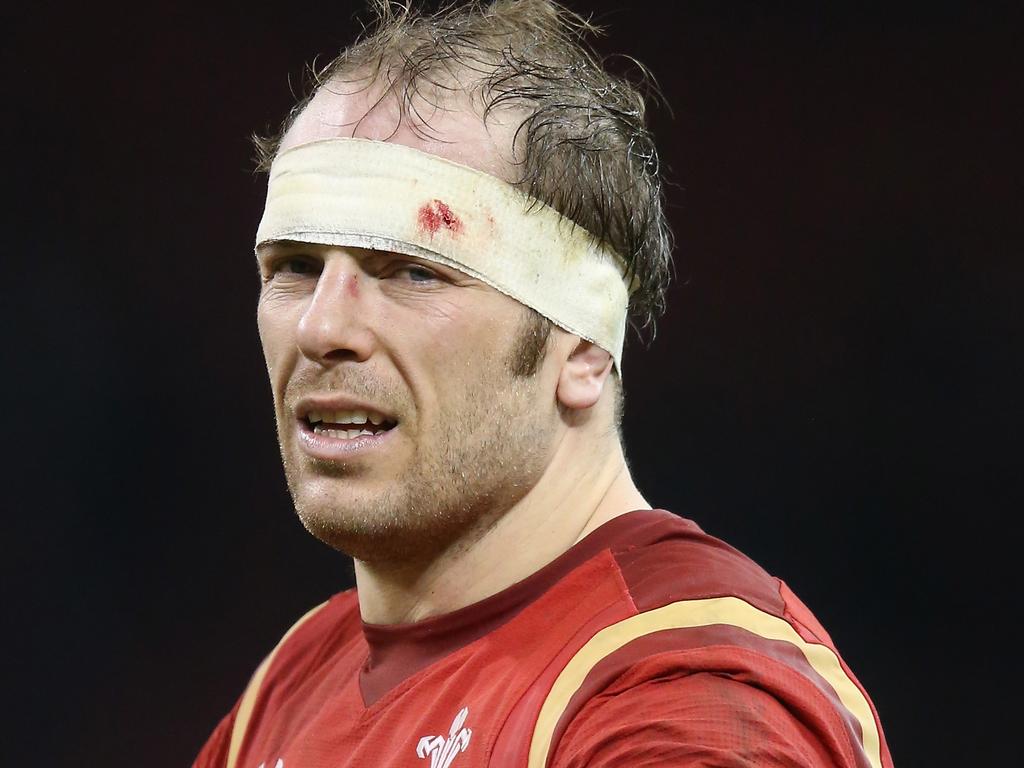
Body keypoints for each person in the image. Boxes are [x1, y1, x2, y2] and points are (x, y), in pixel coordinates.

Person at [195, 1, 893, 766]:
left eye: (413, 272)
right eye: (295, 267)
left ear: (584, 349)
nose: (322, 329)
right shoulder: (290, 686)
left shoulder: (687, 698)